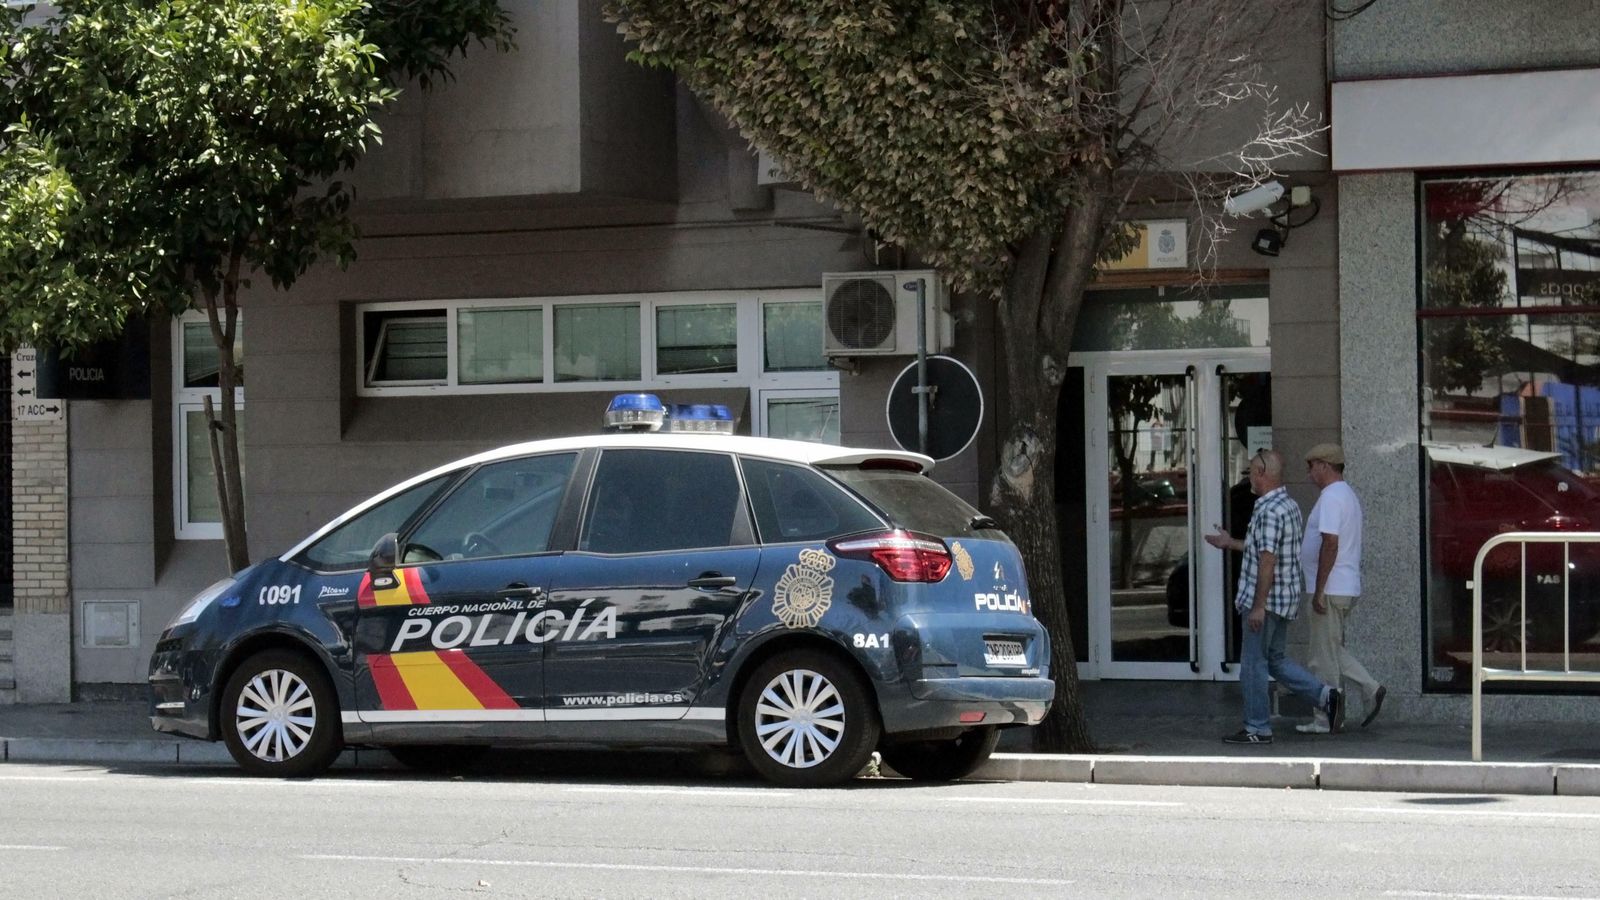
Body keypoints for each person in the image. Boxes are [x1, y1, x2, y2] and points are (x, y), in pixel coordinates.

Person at [1205, 448, 1343, 744]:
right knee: (1275, 660)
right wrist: (1230, 543)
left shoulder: (1268, 510)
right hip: (1283, 599)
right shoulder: (1288, 505)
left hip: (1266, 602)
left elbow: (1267, 560)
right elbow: (1265, 548)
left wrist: (1258, 606)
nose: (1249, 477)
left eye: (1251, 471)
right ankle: (1326, 696)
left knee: (1253, 665)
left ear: (1261, 473)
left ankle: (1257, 728)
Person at [1296, 443, 1384, 734]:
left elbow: (1330, 543)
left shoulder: (1332, 497)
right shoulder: (1346, 495)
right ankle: (1371, 688)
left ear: (1325, 465)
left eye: (1312, 466)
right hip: (1342, 586)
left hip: (1330, 588)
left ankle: (1326, 718)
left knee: (1322, 657)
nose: (1309, 473)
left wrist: (1319, 589)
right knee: (1330, 649)